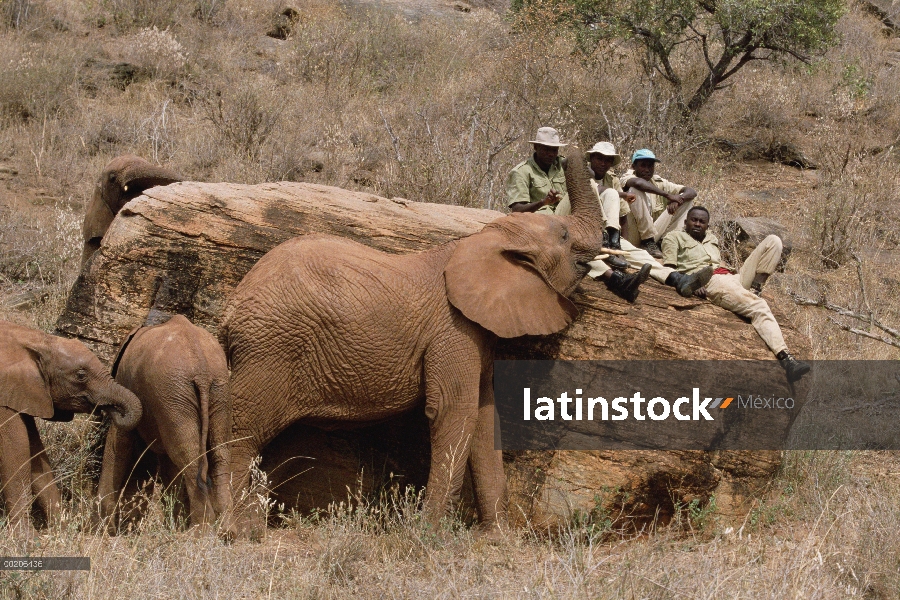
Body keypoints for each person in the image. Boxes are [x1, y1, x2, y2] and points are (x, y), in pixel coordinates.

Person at [661, 206, 811, 382]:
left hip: (733, 277)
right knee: (759, 306)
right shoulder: (673, 237)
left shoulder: (711, 238)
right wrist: (692, 283)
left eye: (702, 222)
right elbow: (669, 270)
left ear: (707, 225)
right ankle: (786, 359)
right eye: (694, 220)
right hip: (712, 281)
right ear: (685, 222)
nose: (697, 224)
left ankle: (756, 289)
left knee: (773, 241)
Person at [621, 149, 697, 259]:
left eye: (650, 166)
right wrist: (669, 196)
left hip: (652, 238)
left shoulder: (657, 181)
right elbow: (638, 183)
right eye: (643, 165)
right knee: (635, 191)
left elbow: (691, 191)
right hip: (631, 235)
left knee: (687, 200)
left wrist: (678, 199)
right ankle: (647, 241)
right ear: (634, 166)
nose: (647, 170)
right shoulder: (626, 178)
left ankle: (667, 242)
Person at [506, 127, 569, 214]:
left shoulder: (564, 164)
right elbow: (517, 209)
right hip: (540, 220)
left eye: (554, 150)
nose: (551, 154)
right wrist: (543, 202)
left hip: (566, 217)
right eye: (546, 149)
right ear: (536, 147)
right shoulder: (521, 172)